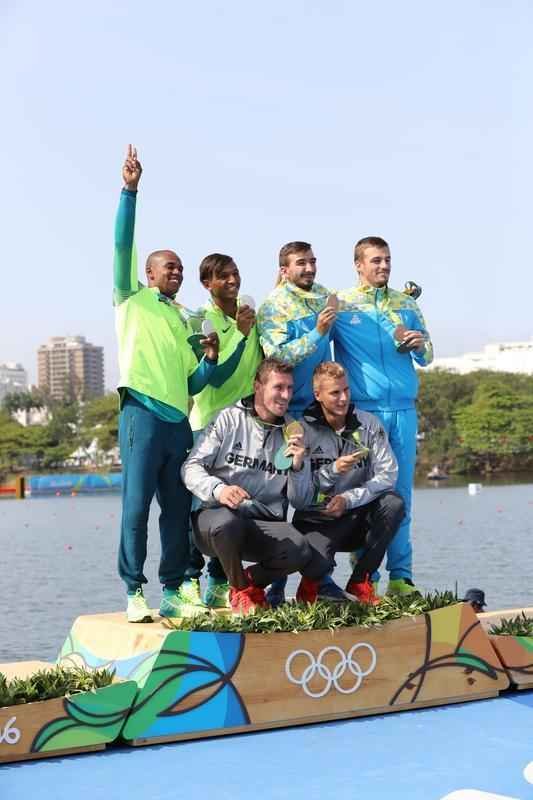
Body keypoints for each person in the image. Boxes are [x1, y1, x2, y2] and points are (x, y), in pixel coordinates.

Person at [114, 145, 220, 623]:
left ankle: (176, 587)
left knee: (177, 512)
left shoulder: (185, 321)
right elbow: (122, 245)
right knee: (136, 508)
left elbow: (194, 383)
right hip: (141, 414)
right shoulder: (130, 297)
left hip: (179, 423)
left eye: (180, 267)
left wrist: (212, 359)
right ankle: (134, 591)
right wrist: (130, 192)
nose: (176, 272)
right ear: (149, 273)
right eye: (168, 266)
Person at [181, 359, 334, 614]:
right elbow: (190, 468)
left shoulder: (293, 431)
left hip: (260, 524)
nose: (285, 396)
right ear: (258, 386)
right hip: (216, 522)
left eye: (289, 388)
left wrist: (297, 467)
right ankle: (240, 593)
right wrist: (220, 490)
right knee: (226, 523)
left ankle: (248, 585)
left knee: (300, 550)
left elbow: (300, 501)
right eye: (278, 387)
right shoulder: (228, 419)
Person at [333, 236, 433, 596]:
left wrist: (420, 343)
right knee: (365, 496)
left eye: (387, 260)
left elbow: (429, 355)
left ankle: (401, 577)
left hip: (404, 412)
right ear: (358, 264)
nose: (383, 266)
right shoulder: (341, 304)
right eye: (375, 260)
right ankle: (365, 578)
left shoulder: (405, 304)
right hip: (363, 415)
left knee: (401, 496)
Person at [257, 242, 337, 604]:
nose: (309, 268)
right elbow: (276, 355)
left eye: (312, 261)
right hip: (287, 411)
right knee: (282, 497)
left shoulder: (326, 296)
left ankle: (319, 577)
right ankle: (274, 585)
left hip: (319, 412)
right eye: (301, 263)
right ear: (284, 269)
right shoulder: (273, 305)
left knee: (319, 495)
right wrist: (318, 332)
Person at [183, 253, 262, 608]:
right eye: (223, 276)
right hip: (210, 425)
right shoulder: (202, 321)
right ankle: (189, 579)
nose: (232, 281)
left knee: (230, 508)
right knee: (203, 505)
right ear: (207, 284)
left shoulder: (250, 316)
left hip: (248, 427)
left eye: (236, 273)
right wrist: (241, 336)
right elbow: (215, 374)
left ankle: (219, 580)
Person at [291, 362, 404, 604]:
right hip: (317, 519)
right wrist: (332, 471)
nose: (343, 399)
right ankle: (312, 584)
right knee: (314, 564)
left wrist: (348, 499)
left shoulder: (370, 424)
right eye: (334, 393)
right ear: (317, 394)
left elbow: (388, 475)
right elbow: (298, 497)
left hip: (356, 517)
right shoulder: (301, 430)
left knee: (394, 504)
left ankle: (360, 582)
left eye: (346, 391)